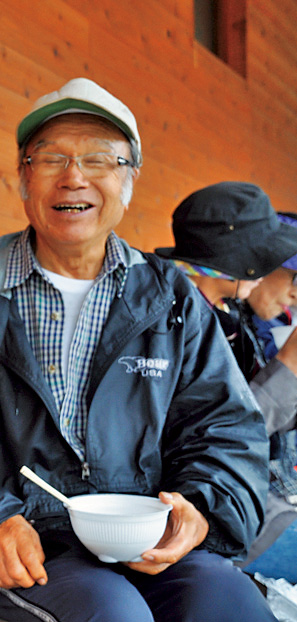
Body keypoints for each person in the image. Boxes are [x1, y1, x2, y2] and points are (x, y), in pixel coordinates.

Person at [0, 77, 276, 621]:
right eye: (51, 158)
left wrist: (200, 508)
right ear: (24, 177)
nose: (74, 176)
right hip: (27, 547)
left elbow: (225, 426)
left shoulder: (171, 298)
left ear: (129, 179)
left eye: (99, 159)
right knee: (113, 612)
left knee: (229, 601)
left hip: (146, 541)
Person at [155, 196, 297, 585]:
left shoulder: (234, 320)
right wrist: (288, 366)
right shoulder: (172, 318)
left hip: (249, 501)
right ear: (236, 259)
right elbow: (221, 432)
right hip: (208, 511)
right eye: (265, 260)